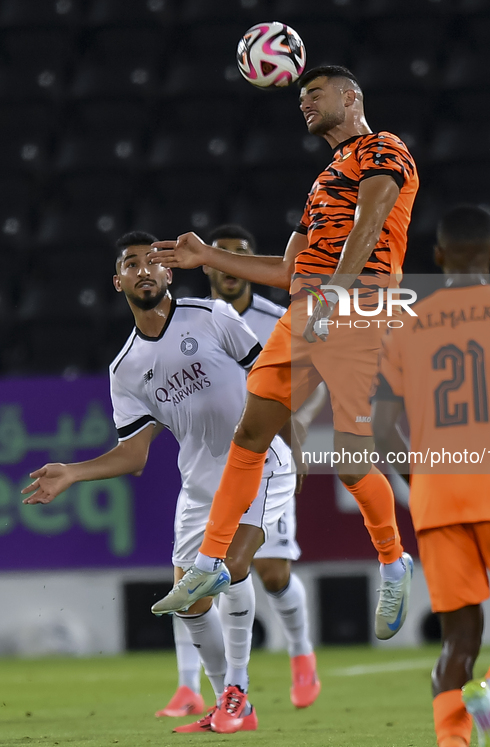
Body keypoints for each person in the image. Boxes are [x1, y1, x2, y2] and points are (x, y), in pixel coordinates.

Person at [148, 65, 419, 642]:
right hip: (306, 312)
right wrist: (207, 259)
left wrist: (338, 291)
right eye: (301, 98)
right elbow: (287, 270)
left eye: (315, 94)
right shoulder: (322, 184)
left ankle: (393, 561)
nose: (305, 104)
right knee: (251, 432)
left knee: (350, 462)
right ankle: (208, 564)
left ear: (351, 97)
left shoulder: (384, 149)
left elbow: (370, 224)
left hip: (357, 308)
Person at [21, 231, 316, 735]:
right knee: (192, 600)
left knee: (233, 566)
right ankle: (230, 700)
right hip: (200, 487)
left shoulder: (213, 316)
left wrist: (295, 451)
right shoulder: (125, 369)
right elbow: (134, 455)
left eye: (150, 262)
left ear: (168, 272)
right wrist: (74, 471)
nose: (142, 270)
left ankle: (241, 691)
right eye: (130, 265)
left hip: (260, 465)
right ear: (118, 283)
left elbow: (272, 382)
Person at [371, 205, 490, 747]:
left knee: (457, 640)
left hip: (436, 494)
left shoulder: (401, 326)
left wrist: (422, 478)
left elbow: (382, 430)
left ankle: (452, 742)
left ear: (437, 256)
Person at [157, 223, 323, 723]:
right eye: (223, 254)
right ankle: (198, 688)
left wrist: (298, 435)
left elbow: (312, 378)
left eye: (242, 254)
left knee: (270, 572)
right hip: (217, 465)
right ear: (208, 265)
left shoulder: (281, 316)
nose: (231, 263)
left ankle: (299, 652)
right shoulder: (196, 321)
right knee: (193, 575)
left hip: (268, 454)